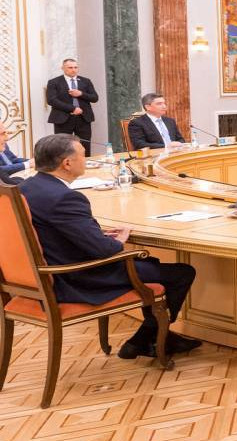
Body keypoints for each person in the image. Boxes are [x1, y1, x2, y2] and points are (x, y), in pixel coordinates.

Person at [18, 134, 200, 358]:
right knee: (181, 273)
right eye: (83, 155)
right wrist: (117, 240)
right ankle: (146, 338)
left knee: (151, 264)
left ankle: (151, 338)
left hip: (43, 274)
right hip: (77, 278)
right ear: (67, 163)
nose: (86, 159)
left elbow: (54, 229)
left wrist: (94, 234)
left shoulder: (26, 187)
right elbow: (104, 251)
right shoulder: (64, 198)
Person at [45, 58, 99, 156]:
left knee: (85, 146)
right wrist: (72, 108)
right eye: (70, 67)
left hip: (83, 118)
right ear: (63, 68)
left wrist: (81, 94)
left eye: (75, 67)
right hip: (62, 119)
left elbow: (95, 98)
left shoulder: (86, 81)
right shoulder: (54, 82)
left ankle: (84, 164)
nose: (73, 70)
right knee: (62, 146)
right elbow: (51, 100)